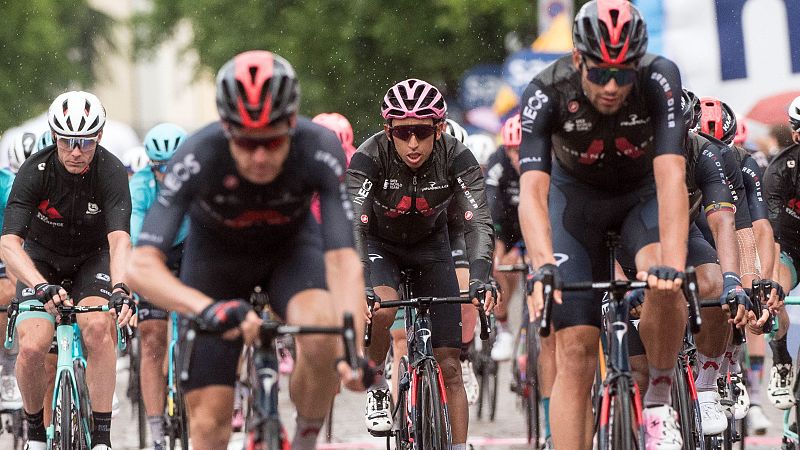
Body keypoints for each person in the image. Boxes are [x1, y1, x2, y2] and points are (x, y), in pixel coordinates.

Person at [126, 50, 368, 450]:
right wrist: (205, 309)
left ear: (292, 123)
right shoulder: (198, 155)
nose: (259, 156)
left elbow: (343, 260)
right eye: (245, 141)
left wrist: (353, 348)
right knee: (209, 424)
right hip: (216, 263)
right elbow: (141, 267)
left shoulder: (319, 147)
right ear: (225, 128)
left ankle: (306, 439)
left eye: (272, 141)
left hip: (290, 252)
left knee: (323, 330)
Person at [518, 1, 689, 448]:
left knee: (663, 278)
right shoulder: (545, 90)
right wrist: (540, 266)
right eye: (600, 73)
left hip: (640, 198)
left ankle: (658, 396)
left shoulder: (659, 77)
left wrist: (673, 262)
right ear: (578, 60)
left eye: (624, 73)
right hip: (576, 205)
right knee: (575, 351)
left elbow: (671, 177)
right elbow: (533, 193)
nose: (612, 86)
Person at [347, 78, 495, 449]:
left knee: (450, 366)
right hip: (381, 245)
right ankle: (379, 386)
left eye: (422, 132)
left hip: (431, 246)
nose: (413, 143)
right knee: (380, 309)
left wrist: (480, 278)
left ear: (439, 129)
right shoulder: (369, 156)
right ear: (388, 130)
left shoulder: (457, 157)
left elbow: (477, 221)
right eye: (403, 132)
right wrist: (360, 286)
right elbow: (352, 223)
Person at [0, 91, 135, 450]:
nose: (76, 151)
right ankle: (34, 434)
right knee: (32, 347)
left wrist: (121, 287)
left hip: (93, 258)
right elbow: (9, 244)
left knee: (95, 328)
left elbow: (120, 240)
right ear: (54, 136)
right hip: (41, 261)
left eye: (86, 142)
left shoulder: (110, 171)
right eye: (68, 141)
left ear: (99, 137)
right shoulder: (35, 170)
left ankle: (103, 438)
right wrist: (40, 286)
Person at [130, 123, 188, 450]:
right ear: (150, 166)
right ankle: (155, 432)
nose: (166, 174)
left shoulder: (198, 181)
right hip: (154, 251)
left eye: (173, 166)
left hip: (189, 249)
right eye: (159, 168)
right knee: (151, 333)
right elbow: (137, 234)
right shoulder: (140, 186)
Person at [762, 95, 800, 413]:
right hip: (789, 246)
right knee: (771, 291)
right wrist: (773, 285)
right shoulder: (780, 170)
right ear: (797, 135)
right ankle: (781, 360)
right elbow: (770, 238)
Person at [0, 131, 38, 411]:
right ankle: (7, 365)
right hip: (6, 244)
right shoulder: (3, 183)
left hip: (36, 246)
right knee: (6, 295)